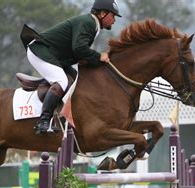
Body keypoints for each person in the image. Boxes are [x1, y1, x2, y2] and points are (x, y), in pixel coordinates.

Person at [22, 0, 121, 135]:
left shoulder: (92, 24)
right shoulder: (89, 22)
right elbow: (79, 48)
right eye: (113, 16)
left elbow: (78, 51)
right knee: (61, 81)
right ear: (103, 13)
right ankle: (43, 121)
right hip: (40, 51)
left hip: (56, 56)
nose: (114, 20)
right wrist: (98, 56)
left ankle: (62, 117)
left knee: (76, 80)